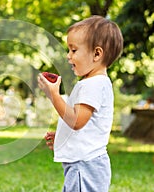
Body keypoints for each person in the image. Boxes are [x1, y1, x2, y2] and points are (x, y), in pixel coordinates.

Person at [38, 15, 123, 192]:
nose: (68, 56)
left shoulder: (93, 85)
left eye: (74, 50)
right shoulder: (94, 83)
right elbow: (84, 125)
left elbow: (77, 121)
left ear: (97, 54)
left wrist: (54, 96)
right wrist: (64, 137)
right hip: (87, 164)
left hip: (85, 166)